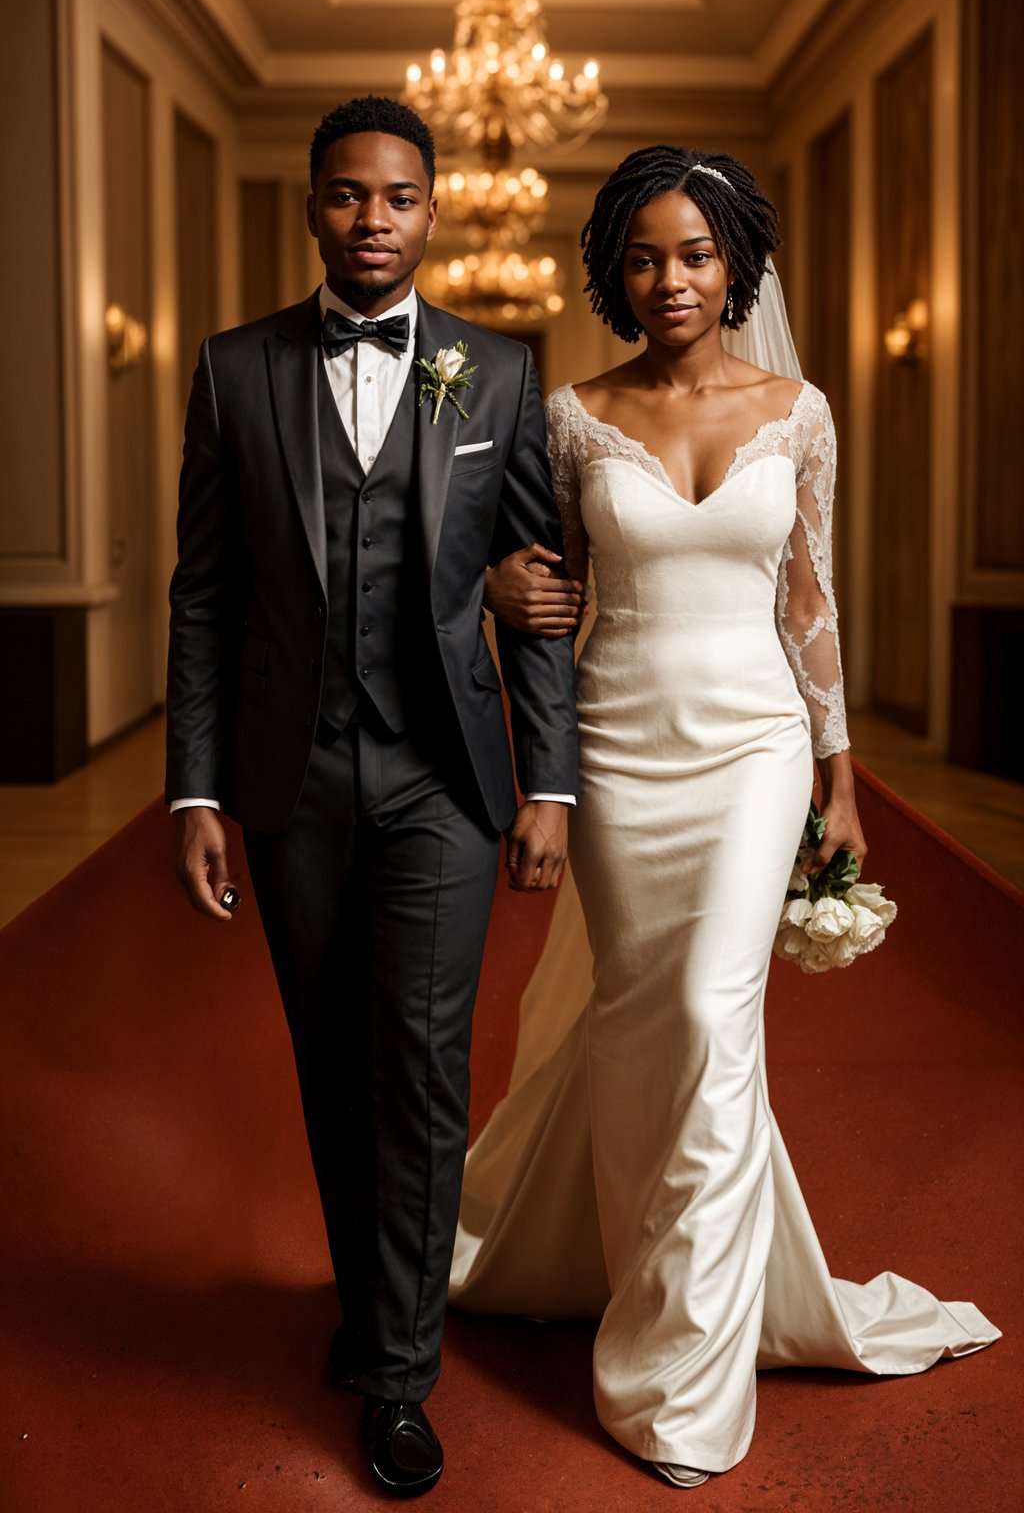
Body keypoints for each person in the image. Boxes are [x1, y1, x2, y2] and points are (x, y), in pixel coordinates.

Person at [450, 145, 999, 1488]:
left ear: (735, 262)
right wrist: (498, 598)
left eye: (695, 253)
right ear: (614, 274)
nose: (671, 278)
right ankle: (615, 1262)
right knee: (643, 1027)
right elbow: (541, 595)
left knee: (708, 1012)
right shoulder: (570, 417)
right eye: (644, 256)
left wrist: (844, 776)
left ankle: (677, 1365)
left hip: (754, 745)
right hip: (624, 746)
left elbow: (807, 604)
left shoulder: (798, 409)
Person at [165, 95, 578, 1498]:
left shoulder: (499, 374)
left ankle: (400, 1375)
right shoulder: (233, 372)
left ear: (435, 209)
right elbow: (205, 597)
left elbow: (543, 602)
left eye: (399, 197)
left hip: (444, 779)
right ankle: (372, 1298)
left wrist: (553, 785)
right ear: (312, 205)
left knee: (419, 1060)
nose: (373, 220)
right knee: (335, 1067)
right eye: (347, 196)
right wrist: (195, 794)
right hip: (291, 779)